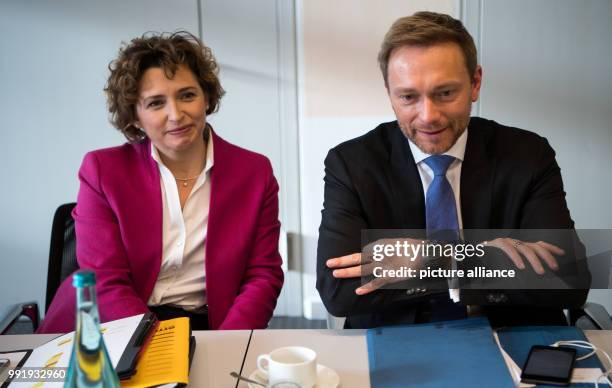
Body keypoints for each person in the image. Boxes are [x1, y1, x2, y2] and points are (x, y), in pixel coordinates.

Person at [317, 12, 590, 329]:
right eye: (408, 96)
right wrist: (482, 259)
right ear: (388, 92)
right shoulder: (351, 163)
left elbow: (570, 279)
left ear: (475, 83)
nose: (428, 116)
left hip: (508, 331)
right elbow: (339, 292)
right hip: (396, 334)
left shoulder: (528, 154)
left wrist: (436, 259)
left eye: (445, 93)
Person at [39, 32, 284, 333]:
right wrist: (159, 347)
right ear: (135, 117)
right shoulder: (102, 170)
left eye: (187, 95)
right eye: (156, 103)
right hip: (110, 324)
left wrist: (229, 342)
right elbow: (104, 278)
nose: (176, 115)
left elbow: (263, 274)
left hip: (212, 325)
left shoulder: (254, 172)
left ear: (206, 97)